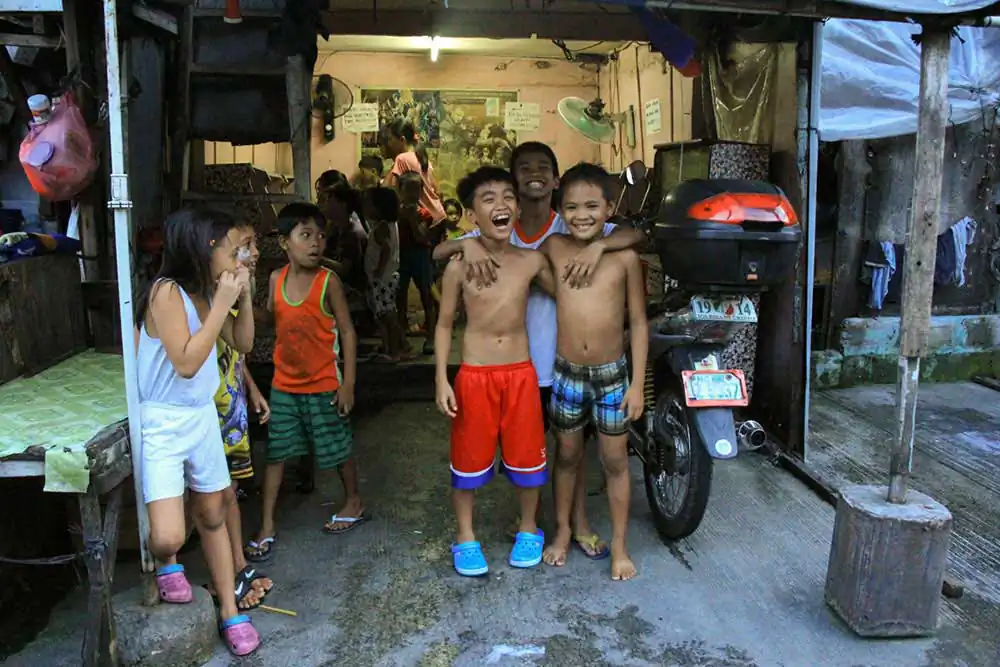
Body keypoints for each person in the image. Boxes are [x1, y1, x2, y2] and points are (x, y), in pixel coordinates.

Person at [431, 142, 646, 560]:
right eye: (524, 168)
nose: (534, 174)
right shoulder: (511, 239)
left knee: (564, 451)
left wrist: (601, 248)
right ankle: (528, 527)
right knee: (548, 452)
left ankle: (573, 524)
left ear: (555, 179)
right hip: (517, 367)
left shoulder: (568, 229)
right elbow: (441, 256)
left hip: (549, 365)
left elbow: (633, 237)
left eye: (543, 167)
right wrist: (464, 244)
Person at [134, 206, 261, 656]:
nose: (244, 258)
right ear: (204, 249)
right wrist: (223, 304)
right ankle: (167, 561)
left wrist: (243, 298)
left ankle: (229, 610)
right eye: (236, 250)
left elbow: (243, 343)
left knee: (212, 514)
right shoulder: (166, 292)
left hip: (201, 417)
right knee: (169, 536)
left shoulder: (209, 293)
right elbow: (187, 363)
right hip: (163, 422)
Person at [435, 166, 554, 577]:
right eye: (488, 199)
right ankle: (465, 537)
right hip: (475, 375)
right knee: (467, 464)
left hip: (521, 375)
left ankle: (529, 528)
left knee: (528, 459)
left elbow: (569, 294)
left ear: (517, 208)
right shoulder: (459, 266)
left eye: (508, 197)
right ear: (471, 215)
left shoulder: (532, 261)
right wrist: (441, 378)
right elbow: (444, 324)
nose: (501, 205)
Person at [538, 163, 648, 581]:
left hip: (612, 375)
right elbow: (516, 262)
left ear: (608, 209)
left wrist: (637, 385)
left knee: (615, 461)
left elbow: (638, 322)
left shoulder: (624, 258)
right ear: (559, 209)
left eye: (591, 206)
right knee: (566, 456)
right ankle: (563, 531)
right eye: (571, 207)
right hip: (566, 372)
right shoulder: (554, 246)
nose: (581, 215)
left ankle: (619, 545)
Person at [245, 202, 366, 560]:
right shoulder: (275, 279)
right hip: (284, 384)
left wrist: (348, 384)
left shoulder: (329, 282)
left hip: (325, 382)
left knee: (337, 447)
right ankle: (267, 524)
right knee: (277, 452)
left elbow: (348, 331)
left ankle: (354, 502)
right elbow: (271, 320)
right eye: (306, 235)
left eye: (321, 236)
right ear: (284, 242)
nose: (316, 243)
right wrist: (241, 302)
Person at [211, 221, 274, 609]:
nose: (252, 254)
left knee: (231, 491)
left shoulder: (231, 297)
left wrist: (251, 388)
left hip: (232, 405)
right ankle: (225, 577)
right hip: (213, 411)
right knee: (217, 498)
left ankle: (237, 567)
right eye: (242, 247)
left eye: (251, 245)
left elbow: (238, 350)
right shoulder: (207, 300)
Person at [362, 185, 409, 362]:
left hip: (382, 279)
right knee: (388, 313)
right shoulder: (389, 225)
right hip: (387, 276)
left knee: (386, 315)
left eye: (368, 204)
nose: (365, 207)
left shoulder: (381, 227)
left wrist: (378, 270)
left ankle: (393, 351)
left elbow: (386, 249)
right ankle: (395, 346)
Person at [395, 171, 437, 354]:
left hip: (420, 256)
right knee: (399, 297)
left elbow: (421, 237)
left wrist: (411, 219)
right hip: (401, 256)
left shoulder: (424, 214)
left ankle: (431, 337)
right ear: (400, 190)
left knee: (427, 295)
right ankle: (401, 338)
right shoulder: (395, 213)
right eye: (409, 190)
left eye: (416, 190)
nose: (413, 195)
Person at [380, 118, 446, 224]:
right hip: (437, 215)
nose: (389, 144)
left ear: (402, 140)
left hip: (424, 219)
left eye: (391, 139)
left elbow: (387, 190)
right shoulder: (421, 156)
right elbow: (437, 190)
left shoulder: (402, 158)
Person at [316, 170, 368, 295]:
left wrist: (316, 258)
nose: (320, 204)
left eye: (326, 199)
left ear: (342, 204)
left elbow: (344, 271)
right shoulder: (335, 227)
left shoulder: (352, 232)